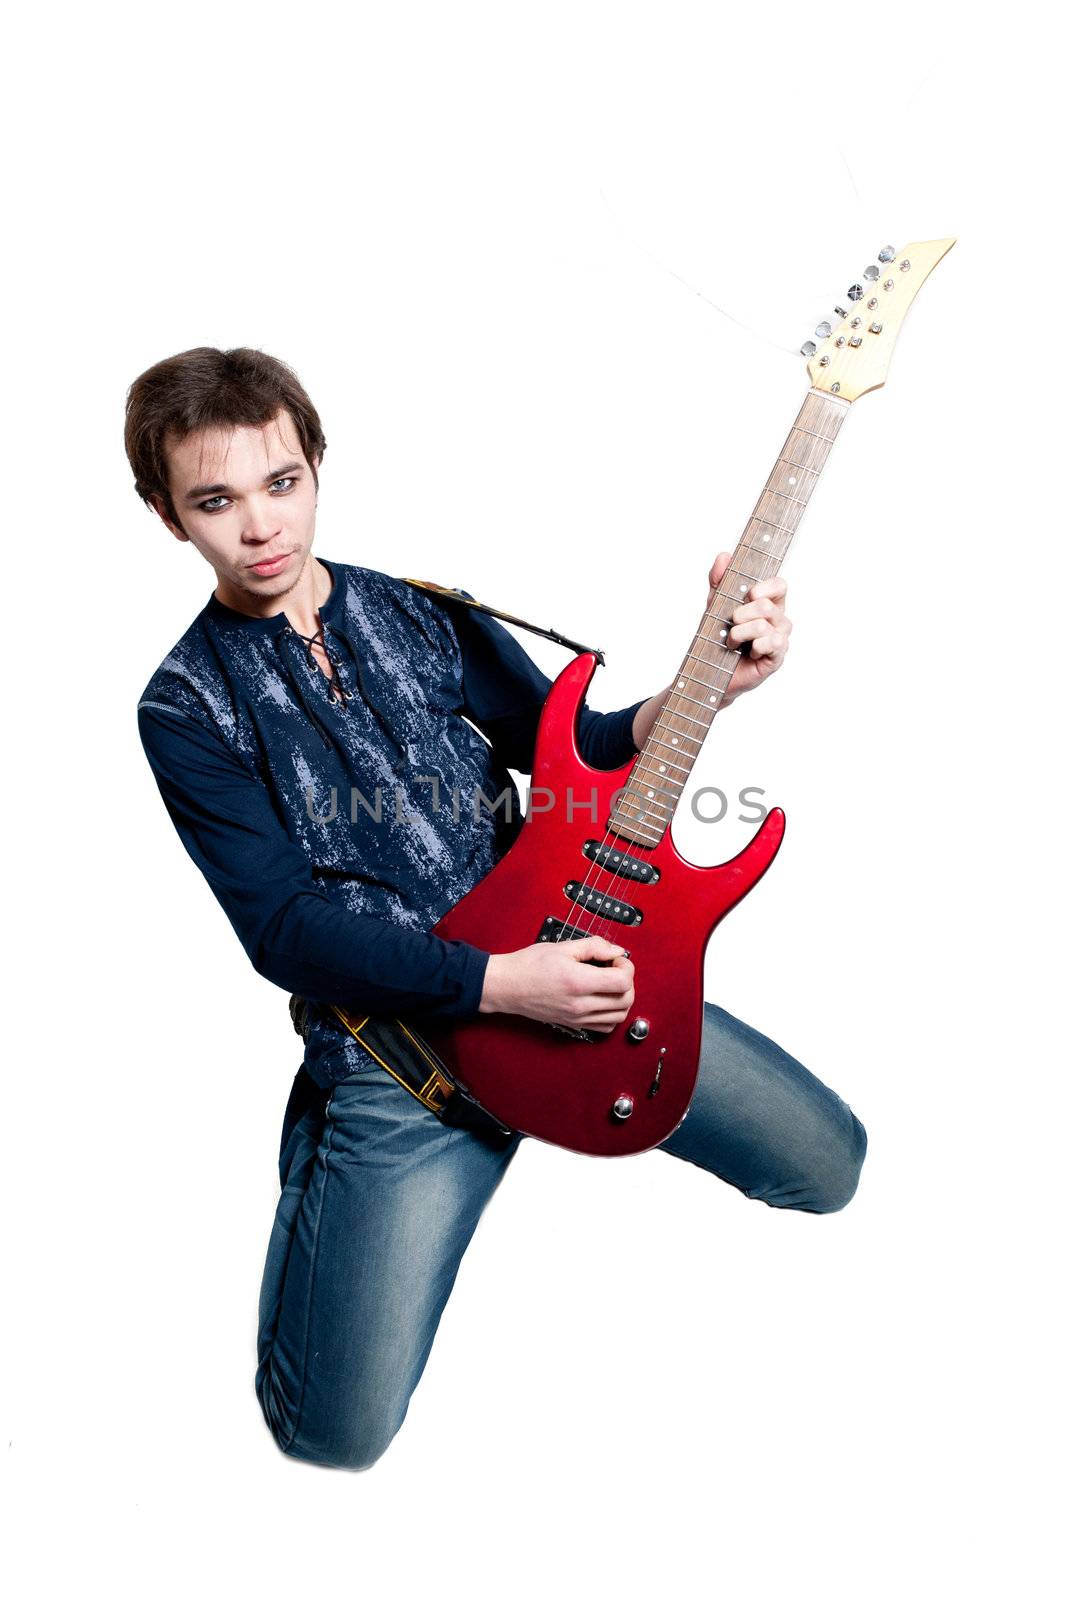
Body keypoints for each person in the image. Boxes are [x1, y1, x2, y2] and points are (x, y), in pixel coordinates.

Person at [128, 345, 867, 1472]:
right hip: (407, 1062)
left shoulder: (423, 614)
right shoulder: (183, 704)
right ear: (168, 514)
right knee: (336, 1436)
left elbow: (570, 755)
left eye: (281, 483)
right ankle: (319, 1174)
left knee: (831, 1165)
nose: (262, 525)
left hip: (578, 980)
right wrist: (501, 984)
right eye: (216, 500)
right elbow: (280, 930)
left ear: (316, 466)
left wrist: (704, 685)